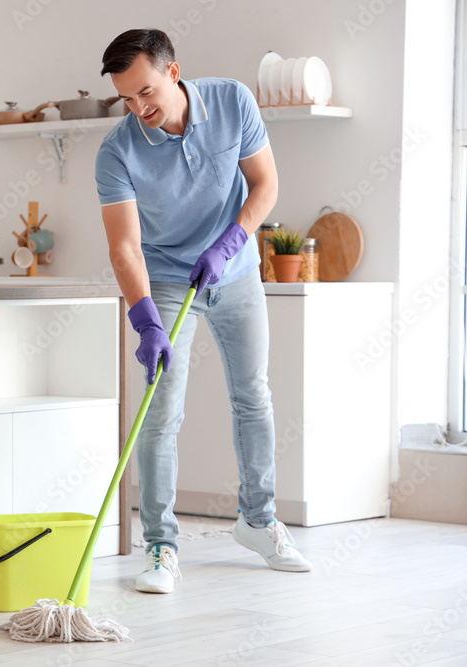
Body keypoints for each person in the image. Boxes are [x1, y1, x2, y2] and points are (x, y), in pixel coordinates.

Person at [95, 28, 310, 594]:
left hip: (234, 271)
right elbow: (124, 247)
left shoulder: (234, 101)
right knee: (160, 410)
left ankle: (259, 522)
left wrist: (232, 243)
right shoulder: (117, 150)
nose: (139, 108)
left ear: (172, 72)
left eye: (145, 91)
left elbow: (265, 185)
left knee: (253, 396)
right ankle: (162, 546)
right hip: (166, 280)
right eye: (126, 98)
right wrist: (143, 317)